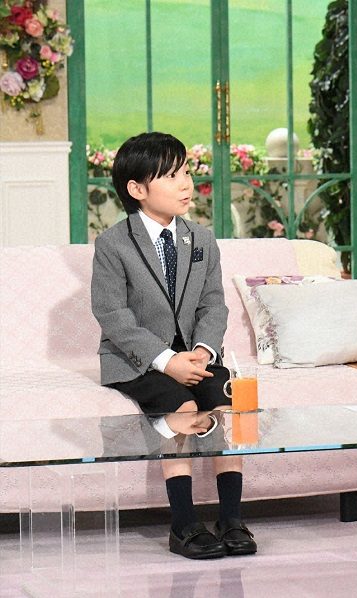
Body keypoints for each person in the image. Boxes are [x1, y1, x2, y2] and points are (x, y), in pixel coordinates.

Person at [91, 132, 256, 560]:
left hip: (195, 357)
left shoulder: (201, 239)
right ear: (137, 190)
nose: (185, 184)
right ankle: (183, 525)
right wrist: (166, 362)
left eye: (185, 172)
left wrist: (204, 351)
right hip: (139, 361)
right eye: (170, 176)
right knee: (181, 406)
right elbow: (113, 315)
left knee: (226, 400)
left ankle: (231, 518)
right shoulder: (112, 245)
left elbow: (213, 304)